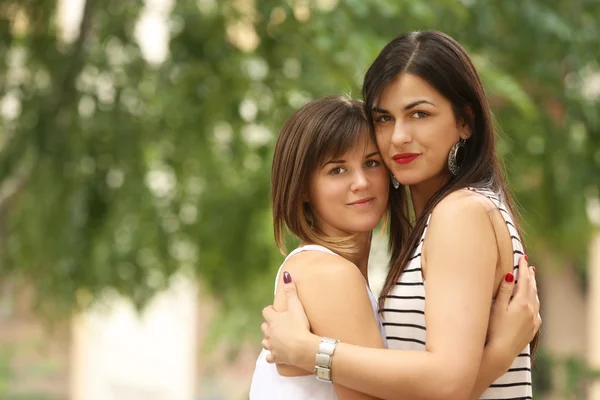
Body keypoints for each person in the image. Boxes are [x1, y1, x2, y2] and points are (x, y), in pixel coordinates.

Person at [260, 31, 542, 400]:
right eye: (383, 118)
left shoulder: (460, 213)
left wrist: (308, 351)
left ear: (465, 122)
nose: (398, 137)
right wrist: (499, 352)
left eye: (419, 114)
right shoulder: (443, 220)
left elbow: (448, 381)